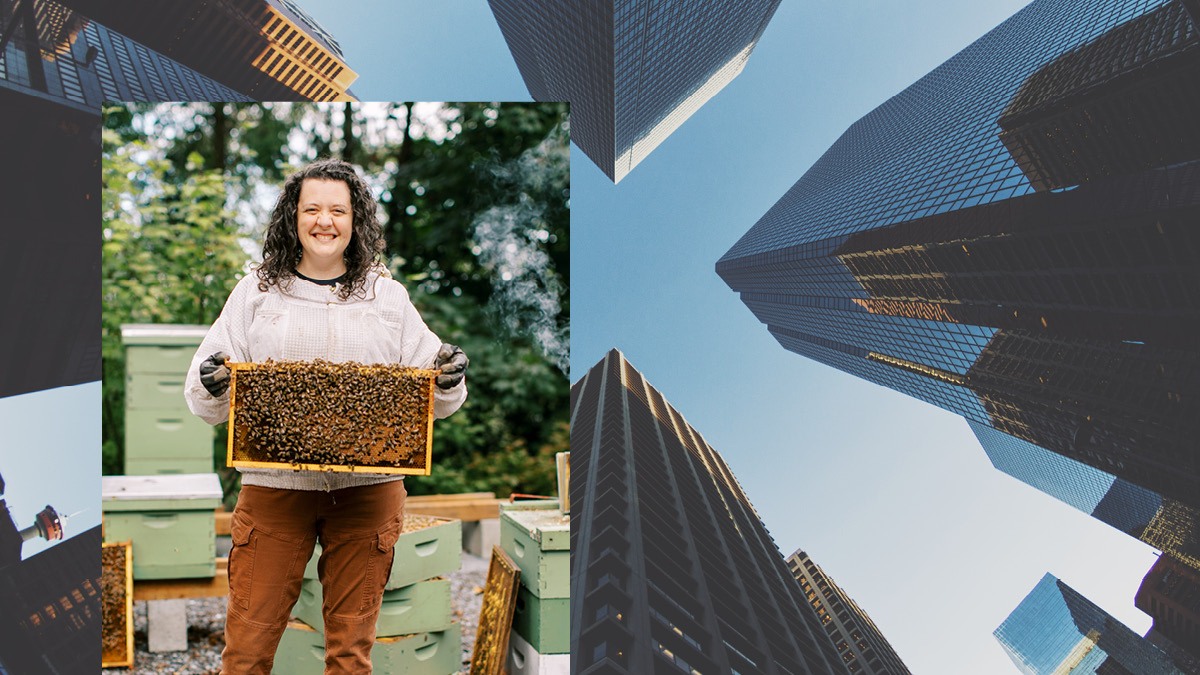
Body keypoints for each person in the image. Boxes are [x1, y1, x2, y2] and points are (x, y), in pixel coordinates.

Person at [184, 158, 468, 675]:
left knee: (350, 653)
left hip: (368, 493)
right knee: (246, 650)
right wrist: (211, 382)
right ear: (292, 218)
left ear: (355, 220)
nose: (324, 221)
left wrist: (449, 376)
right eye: (311, 208)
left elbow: (436, 390)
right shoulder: (256, 292)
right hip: (274, 490)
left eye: (337, 210)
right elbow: (204, 394)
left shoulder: (387, 295)